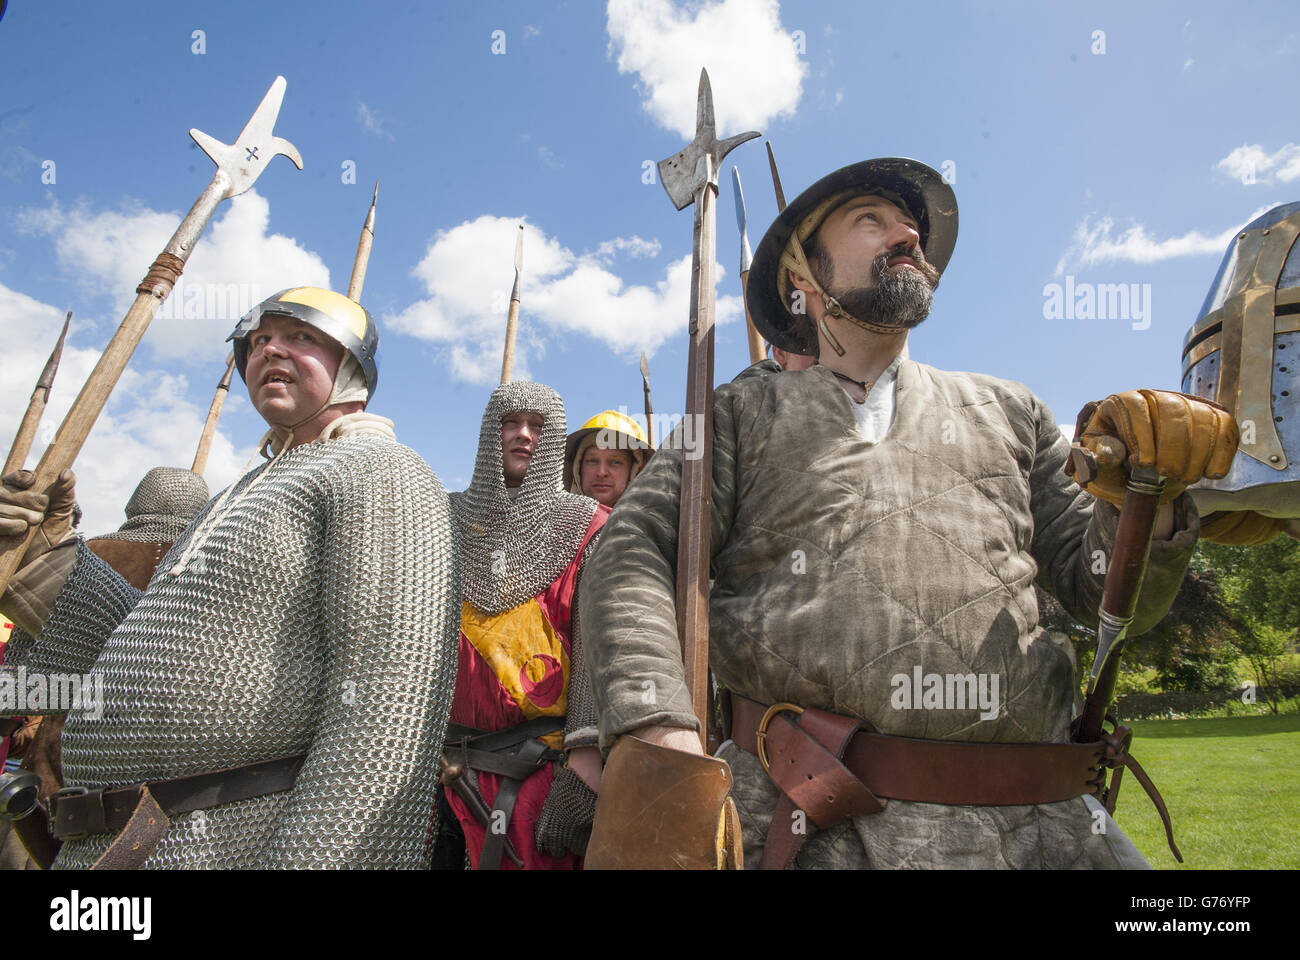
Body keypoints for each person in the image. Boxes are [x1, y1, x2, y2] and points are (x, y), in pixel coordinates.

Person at [581, 158, 1238, 869]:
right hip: (813, 830)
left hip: (1044, 831)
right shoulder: (739, 415)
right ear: (802, 277)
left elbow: (1105, 596)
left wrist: (1150, 502)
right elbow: (632, 549)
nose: (906, 233)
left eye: (913, 227)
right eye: (872, 219)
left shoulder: (1013, 410)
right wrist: (657, 723)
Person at [0, 286, 462, 869]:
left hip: (235, 836)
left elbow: (389, 702)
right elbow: (144, 644)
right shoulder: (238, 493)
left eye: (301, 338)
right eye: (259, 341)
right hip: (116, 841)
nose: (271, 351)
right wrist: (47, 557)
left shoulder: (380, 471)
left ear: (350, 366)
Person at [438, 381, 607, 869]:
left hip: (537, 773)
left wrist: (584, 761)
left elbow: (599, 649)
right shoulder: (443, 519)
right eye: (510, 423)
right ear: (489, 436)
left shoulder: (591, 525)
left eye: (538, 426)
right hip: (438, 767)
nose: (524, 435)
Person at [563, 410, 651, 508]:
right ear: (577, 468)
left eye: (615, 462)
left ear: (636, 470)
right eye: (592, 461)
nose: (601, 472)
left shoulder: (657, 522)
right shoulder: (551, 521)